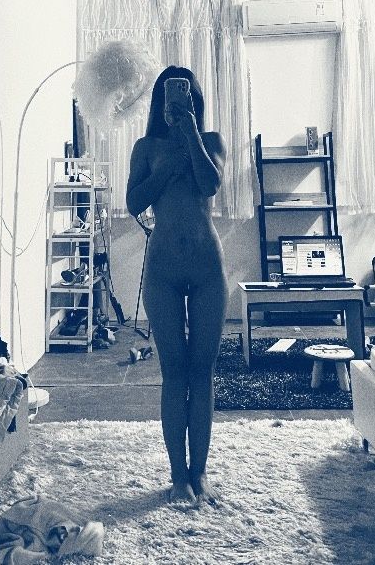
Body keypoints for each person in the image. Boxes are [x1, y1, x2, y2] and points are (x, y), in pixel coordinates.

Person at [126, 66, 228, 505]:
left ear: (195, 100)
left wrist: (190, 134)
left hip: (207, 268)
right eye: (171, 96)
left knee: (202, 372)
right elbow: (133, 201)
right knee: (174, 372)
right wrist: (166, 168)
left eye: (186, 95)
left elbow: (211, 183)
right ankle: (177, 475)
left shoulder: (212, 142)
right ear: (159, 103)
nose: (178, 101)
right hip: (163, 270)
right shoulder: (146, 147)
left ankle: (199, 472)